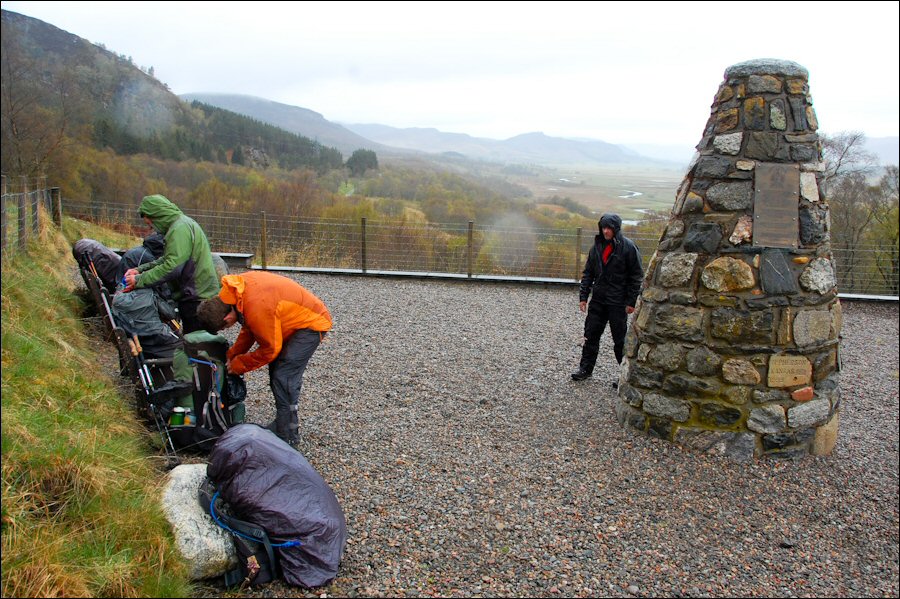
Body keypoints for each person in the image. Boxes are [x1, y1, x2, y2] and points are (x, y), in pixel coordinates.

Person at [196, 271, 332, 446]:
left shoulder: (256, 305)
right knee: (277, 371)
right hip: (290, 320)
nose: (228, 328)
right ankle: (282, 424)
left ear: (227, 317)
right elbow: (250, 328)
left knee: (284, 375)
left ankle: (288, 435)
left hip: (312, 324)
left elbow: (270, 349)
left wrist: (239, 364)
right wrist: (232, 354)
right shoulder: (235, 294)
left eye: (225, 327)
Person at [123, 194, 220, 333]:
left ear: (157, 216)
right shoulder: (182, 224)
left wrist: (138, 281)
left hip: (196, 297)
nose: (152, 229)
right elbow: (168, 259)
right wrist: (140, 270)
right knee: (197, 342)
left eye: (151, 224)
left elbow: (172, 267)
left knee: (197, 344)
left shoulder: (179, 230)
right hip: (196, 294)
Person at [571, 213, 644, 385]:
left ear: (616, 229)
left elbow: (636, 276)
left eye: (609, 228)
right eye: (603, 227)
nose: (606, 231)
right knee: (590, 335)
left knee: (620, 340)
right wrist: (583, 297)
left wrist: (631, 301)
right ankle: (585, 369)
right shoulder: (596, 247)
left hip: (618, 302)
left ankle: (624, 375)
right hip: (598, 299)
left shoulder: (628, 247)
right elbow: (588, 273)